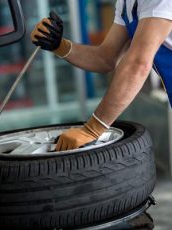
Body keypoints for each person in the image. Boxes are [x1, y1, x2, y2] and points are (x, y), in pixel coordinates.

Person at [31, 0, 172, 151]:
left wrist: (92, 130)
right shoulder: (126, 3)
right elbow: (106, 58)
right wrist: (59, 45)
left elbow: (138, 64)